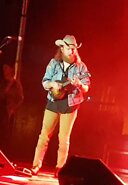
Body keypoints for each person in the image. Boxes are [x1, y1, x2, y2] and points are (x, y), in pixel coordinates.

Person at [30, 35, 90, 177]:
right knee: (44, 135)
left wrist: (79, 85)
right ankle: (36, 165)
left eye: (73, 49)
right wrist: (52, 84)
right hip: (53, 102)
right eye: (69, 48)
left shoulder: (81, 66)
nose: (71, 51)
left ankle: (60, 169)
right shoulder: (53, 63)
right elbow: (44, 83)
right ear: (62, 48)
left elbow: (87, 87)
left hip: (70, 104)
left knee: (63, 138)